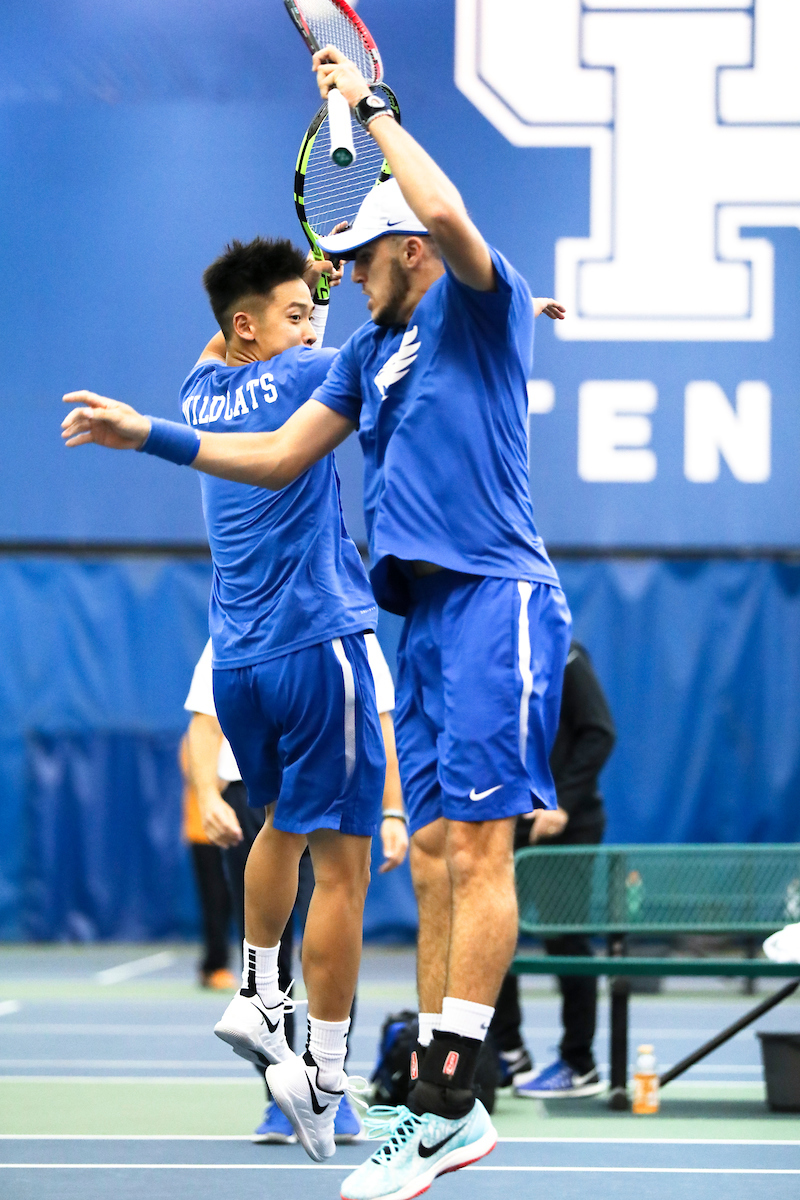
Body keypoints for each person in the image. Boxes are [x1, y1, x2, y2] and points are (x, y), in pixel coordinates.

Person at [61, 52, 571, 1193]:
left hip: (496, 597)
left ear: (408, 255)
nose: (336, 273)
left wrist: (370, 106)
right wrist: (149, 433)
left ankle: (446, 1099)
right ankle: (445, 1106)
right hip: (421, 623)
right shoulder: (370, 357)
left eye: (351, 258)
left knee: (478, 850)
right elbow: (278, 453)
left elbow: (443, 208)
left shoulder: (475, 307)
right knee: (434, 855)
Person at [62, 236, 387, 1164]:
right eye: (292, 316)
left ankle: (256, 990)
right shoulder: (310, 374)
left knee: (279, 823)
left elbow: (239, 336)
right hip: (320, 645)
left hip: (239, 663)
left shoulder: (206, 382)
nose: (310, 325)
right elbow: (412, 333)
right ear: (251, 327)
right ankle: (324, 1076)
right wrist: (511, 314)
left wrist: (308, 289)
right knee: (348, 869)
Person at [183, 631, 409, 1142]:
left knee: (327, 929)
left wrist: (394, 809)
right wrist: (207, 795)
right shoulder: (233, 629)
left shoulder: (354, 633)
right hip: (258, 793)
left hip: (328, 783)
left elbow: (383, 724)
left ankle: (324, 1087)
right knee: (275, 946)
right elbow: (205, 719)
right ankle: (280, 1098)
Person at [489, 640, 616, 1099]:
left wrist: (560, 802)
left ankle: (579, 1063)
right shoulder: (492, 657)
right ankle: (509, 1054)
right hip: (506, 823)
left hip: (568, 826)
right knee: (493, 934)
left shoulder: (567, 656)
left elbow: (600, 732)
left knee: (566, 938)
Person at [178, 733, 236, 990]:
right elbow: (200, 778)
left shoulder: (238, 731)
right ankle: (214, 966)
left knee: (234, 900)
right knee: (214, 900)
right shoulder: (196, 737)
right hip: (203, 832)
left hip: (237, 830)